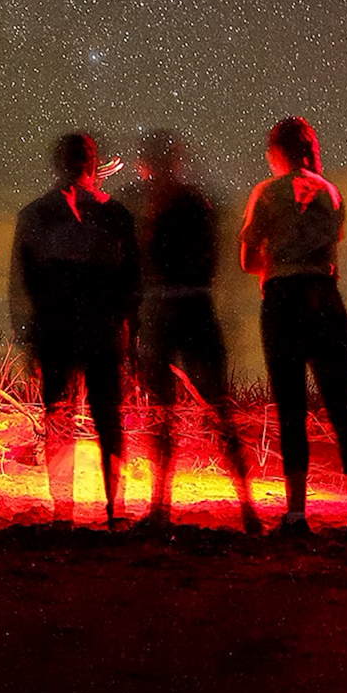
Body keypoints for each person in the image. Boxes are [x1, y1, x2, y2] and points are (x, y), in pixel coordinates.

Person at [239, 116, 347, 538]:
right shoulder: (332, 192)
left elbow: (247, 258)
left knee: (291, 407)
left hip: (284, 297)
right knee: (341, 405)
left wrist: (271, 264)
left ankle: (296, 514)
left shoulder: (266, 191)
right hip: (325, 295)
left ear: (277, 152)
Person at [122, 130, 260, 534]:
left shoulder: (155, 206)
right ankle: (246, 505)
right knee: (216, 408)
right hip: (196, 307)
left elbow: (142, 263)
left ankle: (161, 505)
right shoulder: (200, 203)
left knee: (166, 411)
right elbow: (210, 261)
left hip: (168, 308)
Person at [11, 132, 141, 528]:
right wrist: (131, 335)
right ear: (92, 165)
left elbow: (23, 281)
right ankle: (115, 508)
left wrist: (27, 335)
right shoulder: (115, 213)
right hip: (102, 324)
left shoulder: (35, 213)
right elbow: (132, 280)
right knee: (108, 416)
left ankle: (63, 510)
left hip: (55, 325)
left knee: (59, 416)